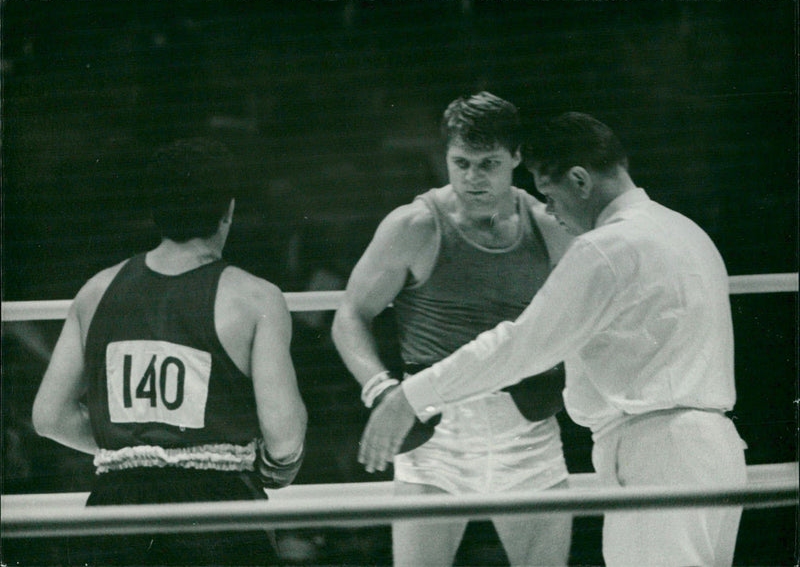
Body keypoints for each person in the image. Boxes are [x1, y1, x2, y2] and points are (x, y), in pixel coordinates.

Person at [359, 112, 748, 567]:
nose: (553, 213)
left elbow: (519, 347)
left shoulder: (606, 248)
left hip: (659, 454)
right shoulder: (684, 231)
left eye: (550, 195)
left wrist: (411, 396)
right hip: (713, 452)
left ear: (580, 180)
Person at [32, 138, 307, 566]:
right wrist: (273, 463)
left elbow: (50, 417)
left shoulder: (97, 291)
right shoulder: (254, 298)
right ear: (228, 212)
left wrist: (135, 451)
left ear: (155, 210)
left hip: (117, 512)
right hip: (217, 514)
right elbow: (283, 431)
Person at [332, 92, 575, 567]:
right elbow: (350, 315)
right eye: (461, 162)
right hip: (435, 436)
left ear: (516, 158)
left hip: (526, 428)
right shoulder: (415, 226)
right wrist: (381, 392)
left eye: (489, 163)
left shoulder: (549, 226)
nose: (472, 178)